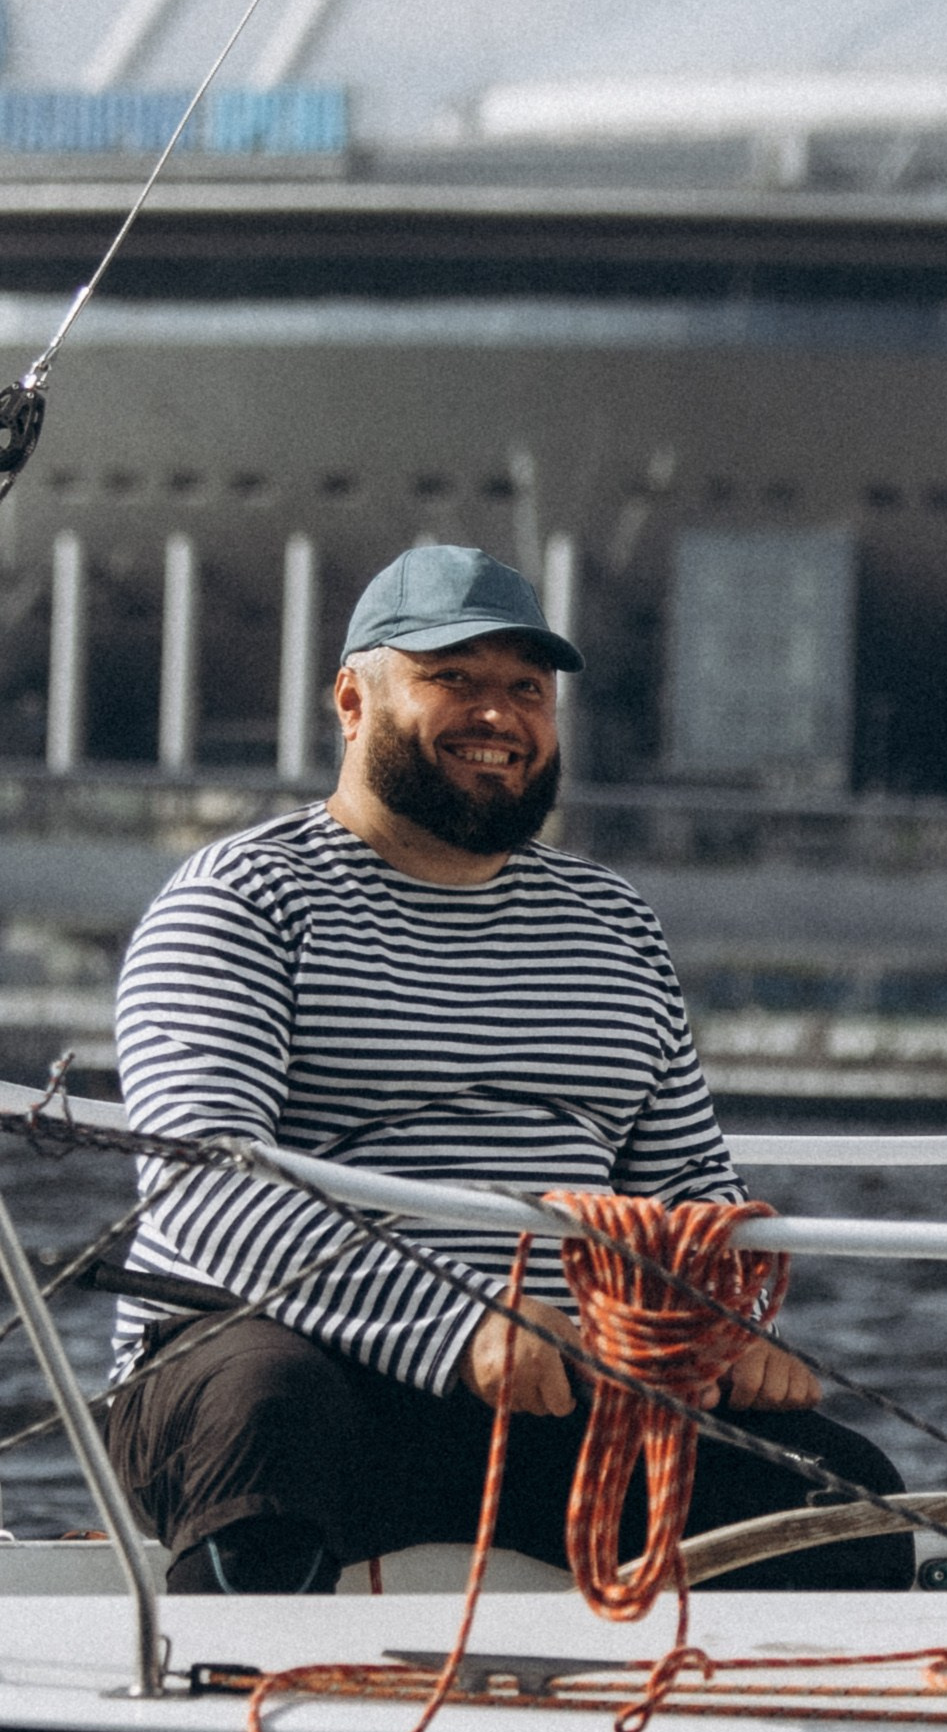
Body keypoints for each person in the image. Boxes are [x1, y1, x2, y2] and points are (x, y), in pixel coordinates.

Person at [108, 541, 905, 1593]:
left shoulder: (612, 922)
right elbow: (206, 1176)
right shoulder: (240, 899)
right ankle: (231, 1721)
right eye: (454, 679)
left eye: (525, 689)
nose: (499, 716)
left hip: (547, 1376)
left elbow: (688, 1189)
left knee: (842, 1500)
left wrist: (722, 1328)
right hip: (264, 1350)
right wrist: (460, 1324)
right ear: (352, 700)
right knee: (273, 1415)